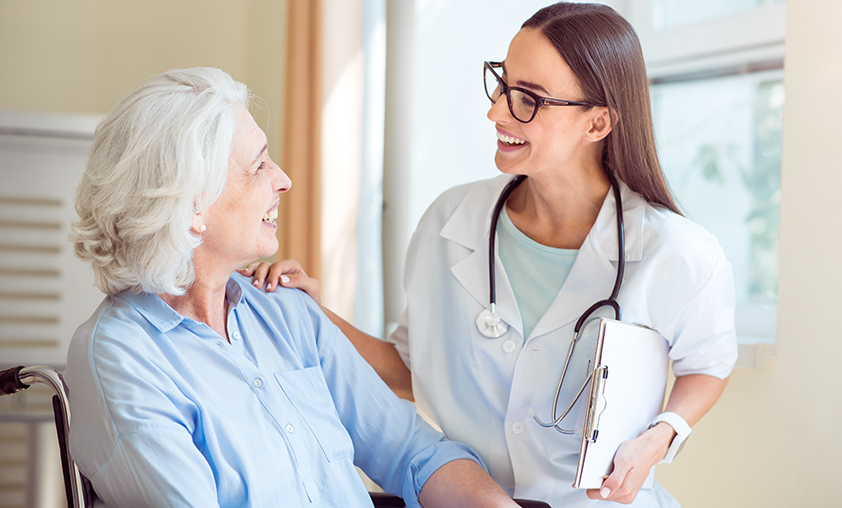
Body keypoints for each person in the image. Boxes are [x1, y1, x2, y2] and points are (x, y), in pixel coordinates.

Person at [248, 2, 738, 507]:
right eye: (503, 85)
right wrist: (308, 314)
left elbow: (708, 365)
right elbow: (408, 369)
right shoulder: (449, 222)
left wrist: (660, 436)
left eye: (529, 99)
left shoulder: (675, 252)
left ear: (597, 124)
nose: (496, 111)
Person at [63, 67, 521, 508]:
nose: (283, 180)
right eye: (258, 165)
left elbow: (413, 453)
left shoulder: (285, 312)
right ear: (191, 206)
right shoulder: (122, 354)